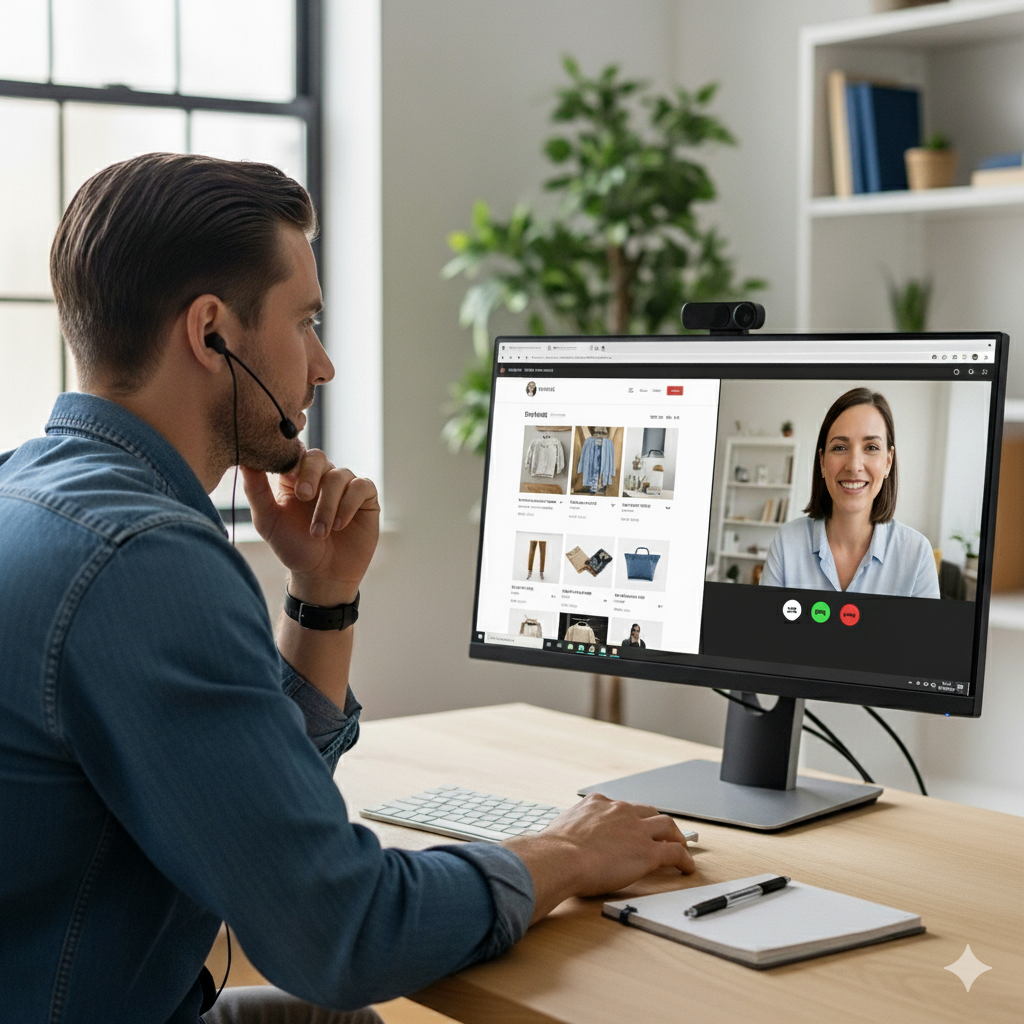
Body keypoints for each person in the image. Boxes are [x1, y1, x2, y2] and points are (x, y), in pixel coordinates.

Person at [0, 154, 696, 1024]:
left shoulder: (27, 489)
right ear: (210, 332)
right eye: (306, 322)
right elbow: (343, 932)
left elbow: (253, 802)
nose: (322, 366)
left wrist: (321, 595)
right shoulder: (144, 561)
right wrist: (564, 852)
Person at [760, 388, 940, 598]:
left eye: (871, 447)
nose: (854, 466)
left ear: (888, 462)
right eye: (839, 448)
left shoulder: (916, 554)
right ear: (822, 462)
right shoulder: (786, 543)